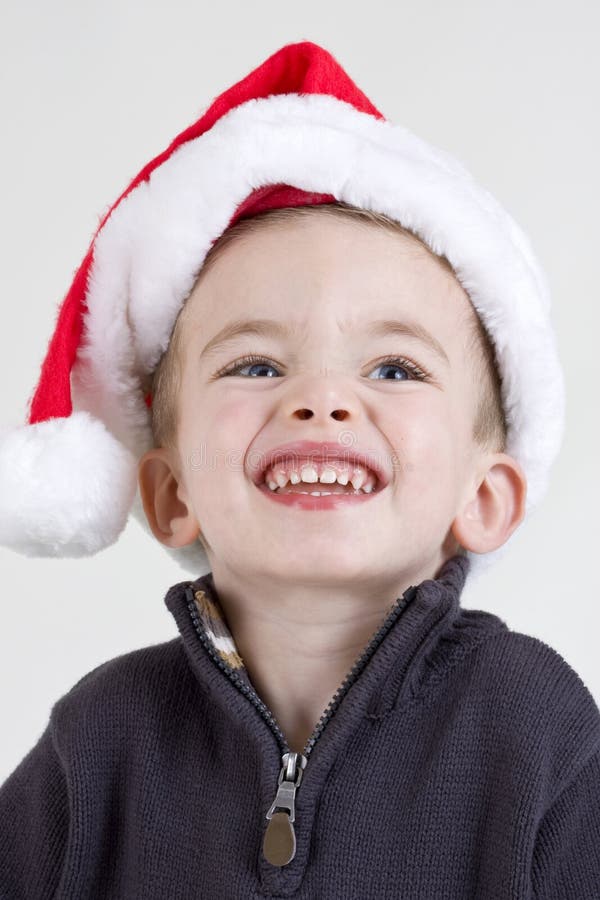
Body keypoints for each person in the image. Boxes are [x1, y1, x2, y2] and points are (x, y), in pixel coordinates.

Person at [0, 40, 598, 899]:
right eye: (255, 366)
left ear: (487, 496)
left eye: (394, 369)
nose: (321, 399)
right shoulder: (97, 745)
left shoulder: (536, 729)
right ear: (170, 494)